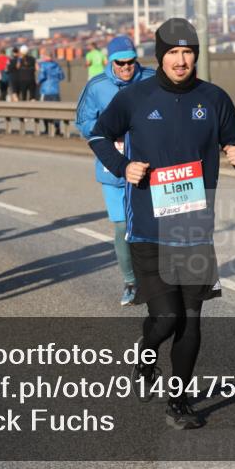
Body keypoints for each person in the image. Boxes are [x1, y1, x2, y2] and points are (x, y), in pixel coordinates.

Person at [89, 18, 235, 429]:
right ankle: (145, 354)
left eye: (188, 52)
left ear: (195, 55)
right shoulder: (137, 97)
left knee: (192, 318)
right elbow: (98, 134)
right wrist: (124, 167)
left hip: (195, 228)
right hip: (148, 225)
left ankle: (177, 402)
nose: (181, 60)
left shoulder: (214, 98)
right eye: (173, 53)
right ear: (160, 57)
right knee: (167, 319)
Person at [76, 35, 155, 306]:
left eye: (131, 62)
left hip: (149, 167)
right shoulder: (97, 86)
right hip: (113, 168)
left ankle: (157, 279)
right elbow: (83, 122)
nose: (126, 67)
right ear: (110, 62)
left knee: (155, 226)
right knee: (123, 227)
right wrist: (108, 128)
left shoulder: (151, 79)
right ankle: (131, 282)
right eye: (120, 63)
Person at [37, 50, 65, 135]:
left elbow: (42, 76)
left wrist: (38, 82)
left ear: (45, 56)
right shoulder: (56, 65)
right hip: (55, 90)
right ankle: (57, 129)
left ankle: (47, 129)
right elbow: (62, 76)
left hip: (46, 91)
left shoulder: (43, 65)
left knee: (44, 111)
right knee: (57, 111)